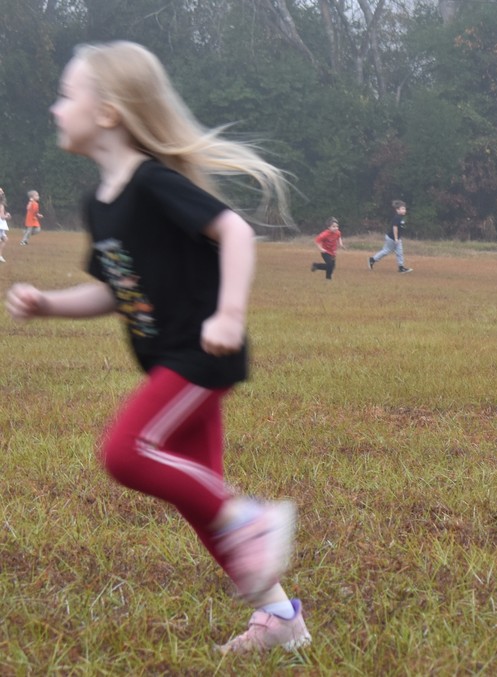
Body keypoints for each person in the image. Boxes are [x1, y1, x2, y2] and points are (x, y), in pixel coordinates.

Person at [5, 41, 310, 655]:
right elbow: (113, 290)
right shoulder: (100, 203)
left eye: (68, 95)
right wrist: (48, 304)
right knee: (202, 496)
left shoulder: (153, 183)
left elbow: (235, 232)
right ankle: (281, 619)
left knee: (126, 453)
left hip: (200, 353)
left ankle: (252, 518)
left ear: (110, 113)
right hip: (170, 356)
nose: (56, 108)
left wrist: (229, 313)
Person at [368, 199, 412, 273]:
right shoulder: (397, 218)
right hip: (392, 238)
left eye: (405, 209)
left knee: (399, 252)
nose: (404, 210)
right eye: (402, 209)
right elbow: (394, 228)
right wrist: (395, 238)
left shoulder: (401, 217)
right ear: (397, 210)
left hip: (397, 238)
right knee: (386, 251)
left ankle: (401, 267)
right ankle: (372, 259)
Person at [0, 188, 10, 262]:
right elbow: (2, 217)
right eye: (0, 191)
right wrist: (7, 216)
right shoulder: (1, 205)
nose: (2, 192)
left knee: (4, 239)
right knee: (3, 239)